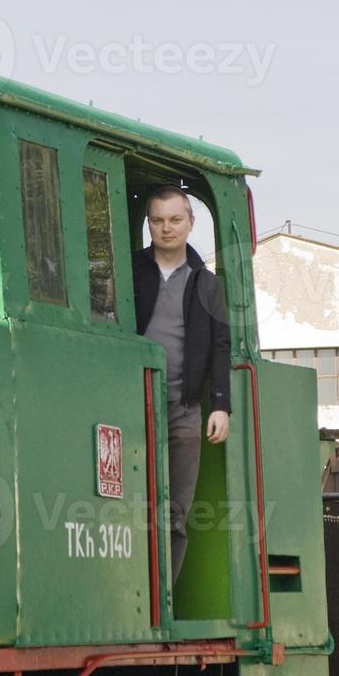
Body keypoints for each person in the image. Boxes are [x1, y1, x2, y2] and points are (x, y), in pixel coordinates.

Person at [132, 185, 231, 585]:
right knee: (126, 506)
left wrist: (221, 405)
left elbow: (222, 346)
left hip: (184, 410)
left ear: (190, 223)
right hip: (129, 403)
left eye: (175, 220)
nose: (166, 228)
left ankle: (164, 597)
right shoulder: (129, 272)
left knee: (175, 511)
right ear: (149, 225)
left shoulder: (206, 284)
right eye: (158, 220)